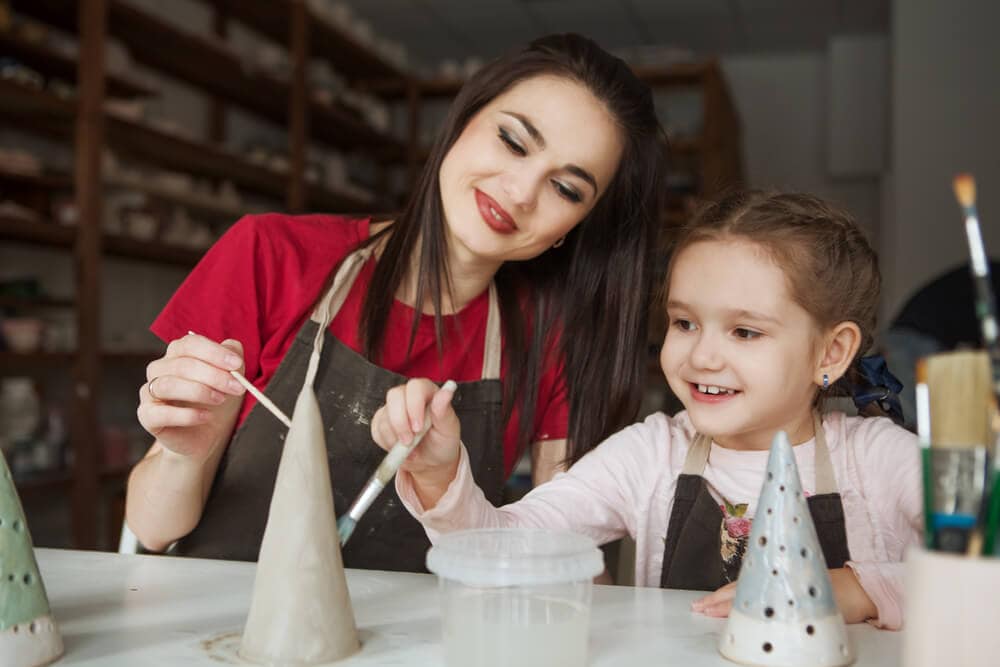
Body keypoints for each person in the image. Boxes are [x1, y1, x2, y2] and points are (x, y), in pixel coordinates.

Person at [125, 34, 668, 572]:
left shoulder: (556, 339)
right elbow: (153, 528)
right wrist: (183, 453)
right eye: (513, 141)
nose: (521, 191)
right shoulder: (270, 254)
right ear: (460, 124)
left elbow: (564, 561)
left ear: (571, 230)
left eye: (566, 189)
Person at [379, 190, 922, 629]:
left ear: (830, 352)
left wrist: (853, 588)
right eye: (684, 323)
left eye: (745, 331)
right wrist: (439, 474)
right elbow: (505, 549)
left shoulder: (879, 458)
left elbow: (983, 567)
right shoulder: (652, 453)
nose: (702, 355)